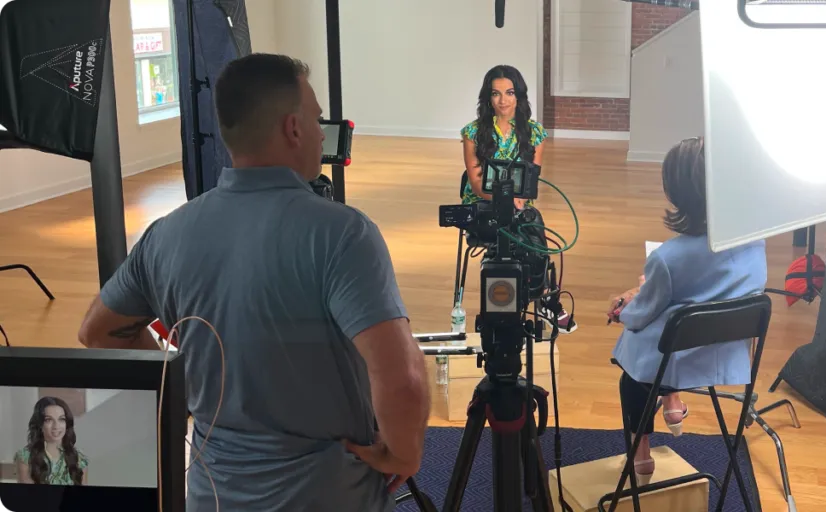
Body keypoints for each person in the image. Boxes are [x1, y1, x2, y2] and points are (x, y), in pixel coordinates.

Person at [77, 53, 430, 512]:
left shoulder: (165, 234)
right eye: (317, 118)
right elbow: (403, 379)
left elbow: (97, 331)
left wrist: (184, 387)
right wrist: (403, 452)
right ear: (294, 129)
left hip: (212, 497)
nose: (321, 130)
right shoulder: (343, 234)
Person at [607, 137, 767, 483]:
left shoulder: (667, 257)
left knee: (633, 372)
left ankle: (640, 456)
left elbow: (641, 315)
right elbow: (724, 289)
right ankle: (673, 404)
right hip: (726, 354)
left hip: (679, 356)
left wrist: (627, 305)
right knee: (674, 330)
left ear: (675, 193)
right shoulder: (755, 242)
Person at [460, 64, 576, 333]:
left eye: (509, 92)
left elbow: (531, 180)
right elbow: (477, 184)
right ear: (487, 98)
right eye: (496, 93)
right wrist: (503, 198)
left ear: (519, 95)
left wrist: (517, 200)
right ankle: (541, 297)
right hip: (482, 205)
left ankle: (533, 300)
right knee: (518, 233)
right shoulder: (472, 132)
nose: (503, 100)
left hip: (520, 205)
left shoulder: (535, 133)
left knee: (532, 229)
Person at [15, 396, 88, 485]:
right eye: (48, 420)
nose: (56, 426)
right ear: (40, 424)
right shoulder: (25, 457)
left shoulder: (79, 458)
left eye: (61, 419)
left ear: (67, 423)